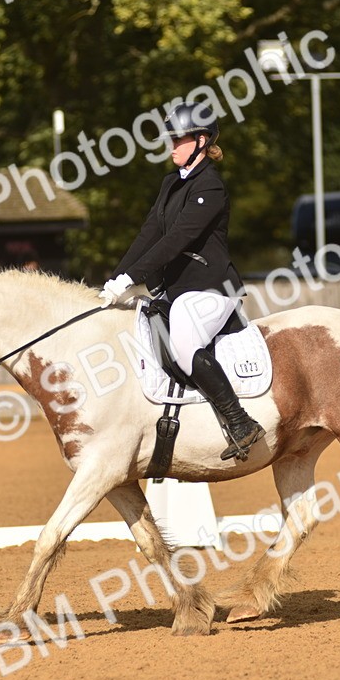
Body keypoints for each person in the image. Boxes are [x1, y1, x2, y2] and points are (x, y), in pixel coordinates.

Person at [98, 103, 265, 461]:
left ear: (202, 141)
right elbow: (149, 235)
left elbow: (177, 239)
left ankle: (241, 422)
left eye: (178, 139)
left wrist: (133, 276)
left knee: (185, 344)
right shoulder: (171, 183)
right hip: (176, 292)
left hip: (211, 288)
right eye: (171, 139)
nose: (171, 145)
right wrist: (114, 280)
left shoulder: (211, 186)